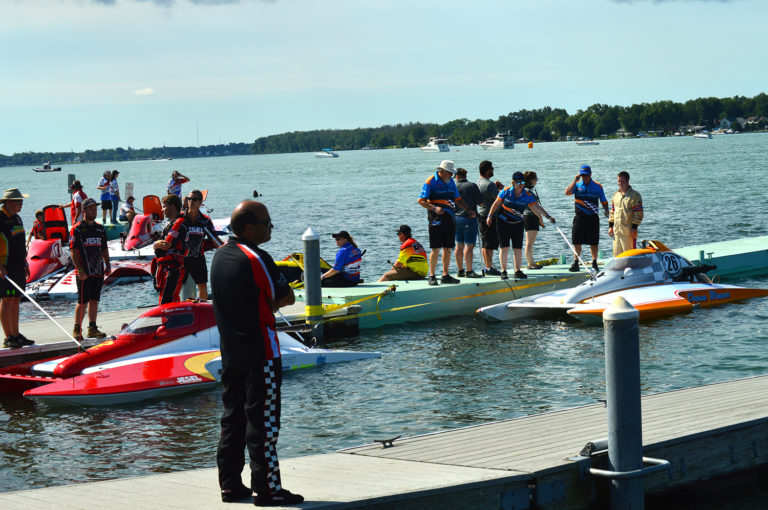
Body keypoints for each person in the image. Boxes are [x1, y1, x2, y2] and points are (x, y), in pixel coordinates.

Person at [211, 200, 303, 506]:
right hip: (260, 351)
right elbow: (286, 297)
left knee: (232, 418)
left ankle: (230, 485)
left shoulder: (220, 256)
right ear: (250, 228)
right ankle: (268, 490)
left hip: (231, 351)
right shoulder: (258, 257)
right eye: (267, 223)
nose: (271, 227)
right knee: (263, 423)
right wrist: (272, 302)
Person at [487, 171, 555, 280]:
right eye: (518, 182)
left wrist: (548, 216)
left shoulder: (527, 195)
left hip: (518, 224)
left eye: (523, 182)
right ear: (513, 182)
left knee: (517, 248)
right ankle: (504, 272)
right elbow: (496, 203)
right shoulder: (506, 191)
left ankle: (517, 271)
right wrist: (489, 216)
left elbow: (536, 207)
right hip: (502, 223)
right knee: (504, 248)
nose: (521, 185)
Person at [418, 160, 469, 285]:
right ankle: (432, 275)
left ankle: (445, 275)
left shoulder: (451, 181)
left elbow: (457, 199)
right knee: (436, 248)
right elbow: (421, 200)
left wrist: (468, 210)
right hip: (435, 218)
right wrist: (434, 208)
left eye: (452, 173)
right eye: (449, 173)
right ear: (442, 171)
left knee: (448, 247)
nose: (452, 175)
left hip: (450, 218)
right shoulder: (430, 182)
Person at [69, 197, 111, 340]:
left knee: (95, 300)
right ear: (84, 210)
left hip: (98, 270)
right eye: (92, 208)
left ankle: (92, 328)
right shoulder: (77, 229)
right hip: (84, 272)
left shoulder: (100, 228)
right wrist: (79, 269)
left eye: (95, 208)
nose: (95, 210)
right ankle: (77, 329)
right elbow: (73, 251)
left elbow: (104, 248)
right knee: (82, 301)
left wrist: (108, 265)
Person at [1, 188, 34, 349]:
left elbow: (20, 243)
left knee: (16, 299)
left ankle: (16, 334)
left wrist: (25, 263)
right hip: (5, 266)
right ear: (8, 202)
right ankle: (8, 337)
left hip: (18, 265)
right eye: (18, 201)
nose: (21, 204)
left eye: (22, 201)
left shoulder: (18, 219)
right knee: (6, 300)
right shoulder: (0, 218)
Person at [564, 164, 609, 272]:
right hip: (579, 218)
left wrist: (606, 210)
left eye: (587, 175)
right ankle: (576, 263)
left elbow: (603, 200)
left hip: (592, 218)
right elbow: (567, 192)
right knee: (577, 241)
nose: (585, 177)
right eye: (583, 175)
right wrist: (574, 181)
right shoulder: (577, 185)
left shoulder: (598, 186)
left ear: (591, 174)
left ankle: (594, 263)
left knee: (594, 242)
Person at [180, 189, 222, 300]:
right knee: (177, 285)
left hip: (198, 258)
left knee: (202, 286)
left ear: (200, 202)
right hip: (181, 258)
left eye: (194, 199)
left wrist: (227, 249)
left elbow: (215, 239)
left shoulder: (205, 221)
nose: (190, 201)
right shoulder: (180, 218)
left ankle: (201, 308)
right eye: (189, 199)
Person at [152, 194, 187, 304]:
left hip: (174, 268)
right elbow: (160, 244)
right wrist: (157, 244)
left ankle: (171, 320)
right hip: (167, 267)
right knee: (168, 299)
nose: (162, 210)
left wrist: (156, 244)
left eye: (164, 206)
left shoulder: (179, 223)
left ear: (172, 207)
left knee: (167, 301)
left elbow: (165, 244)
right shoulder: (169, 225)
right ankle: (171, 320)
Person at [453, 167, 482, 278]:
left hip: (456, 218)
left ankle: (460, 270)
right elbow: (480, 203)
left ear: (456, 176)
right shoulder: (472, 185)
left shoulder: (453, 186)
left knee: (458, 245)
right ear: (465, 175)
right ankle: (469, 271)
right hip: (469, 218)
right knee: (469, 245)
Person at [477, 160, 504, 276]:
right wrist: (502, 189)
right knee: (490, 243)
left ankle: (487, 266)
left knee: (485, 242)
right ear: (488, 170)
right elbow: (500, 200)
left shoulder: (478, 183)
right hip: (490, 216)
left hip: (481, 215)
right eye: (492, 169)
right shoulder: (489, 184)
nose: (493, 171)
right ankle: (489, 268)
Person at [608, 171, 644, 256]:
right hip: (617, 232)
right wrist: (610, 227)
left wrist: (634, 228)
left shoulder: (635, 195)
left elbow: (638, 214)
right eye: (618, 181)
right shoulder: (615, 195)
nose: (620, 183)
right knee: (617, 256)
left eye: (622, 181)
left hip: (628, 233)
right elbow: (612, 212)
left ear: (628, 181)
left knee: (630, 257)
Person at [523, 171, 546, 270]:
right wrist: (540, 218)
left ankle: (531, 262)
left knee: (530, 242)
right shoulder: (528, 190)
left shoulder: (526, 189)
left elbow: (536, 206)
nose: (536, 180)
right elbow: (533, 206)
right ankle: (531, 264)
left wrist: (544, 216)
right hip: (531, 217)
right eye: (536, 178)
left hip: (528, 216)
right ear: (531, 180)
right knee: (530, 242)